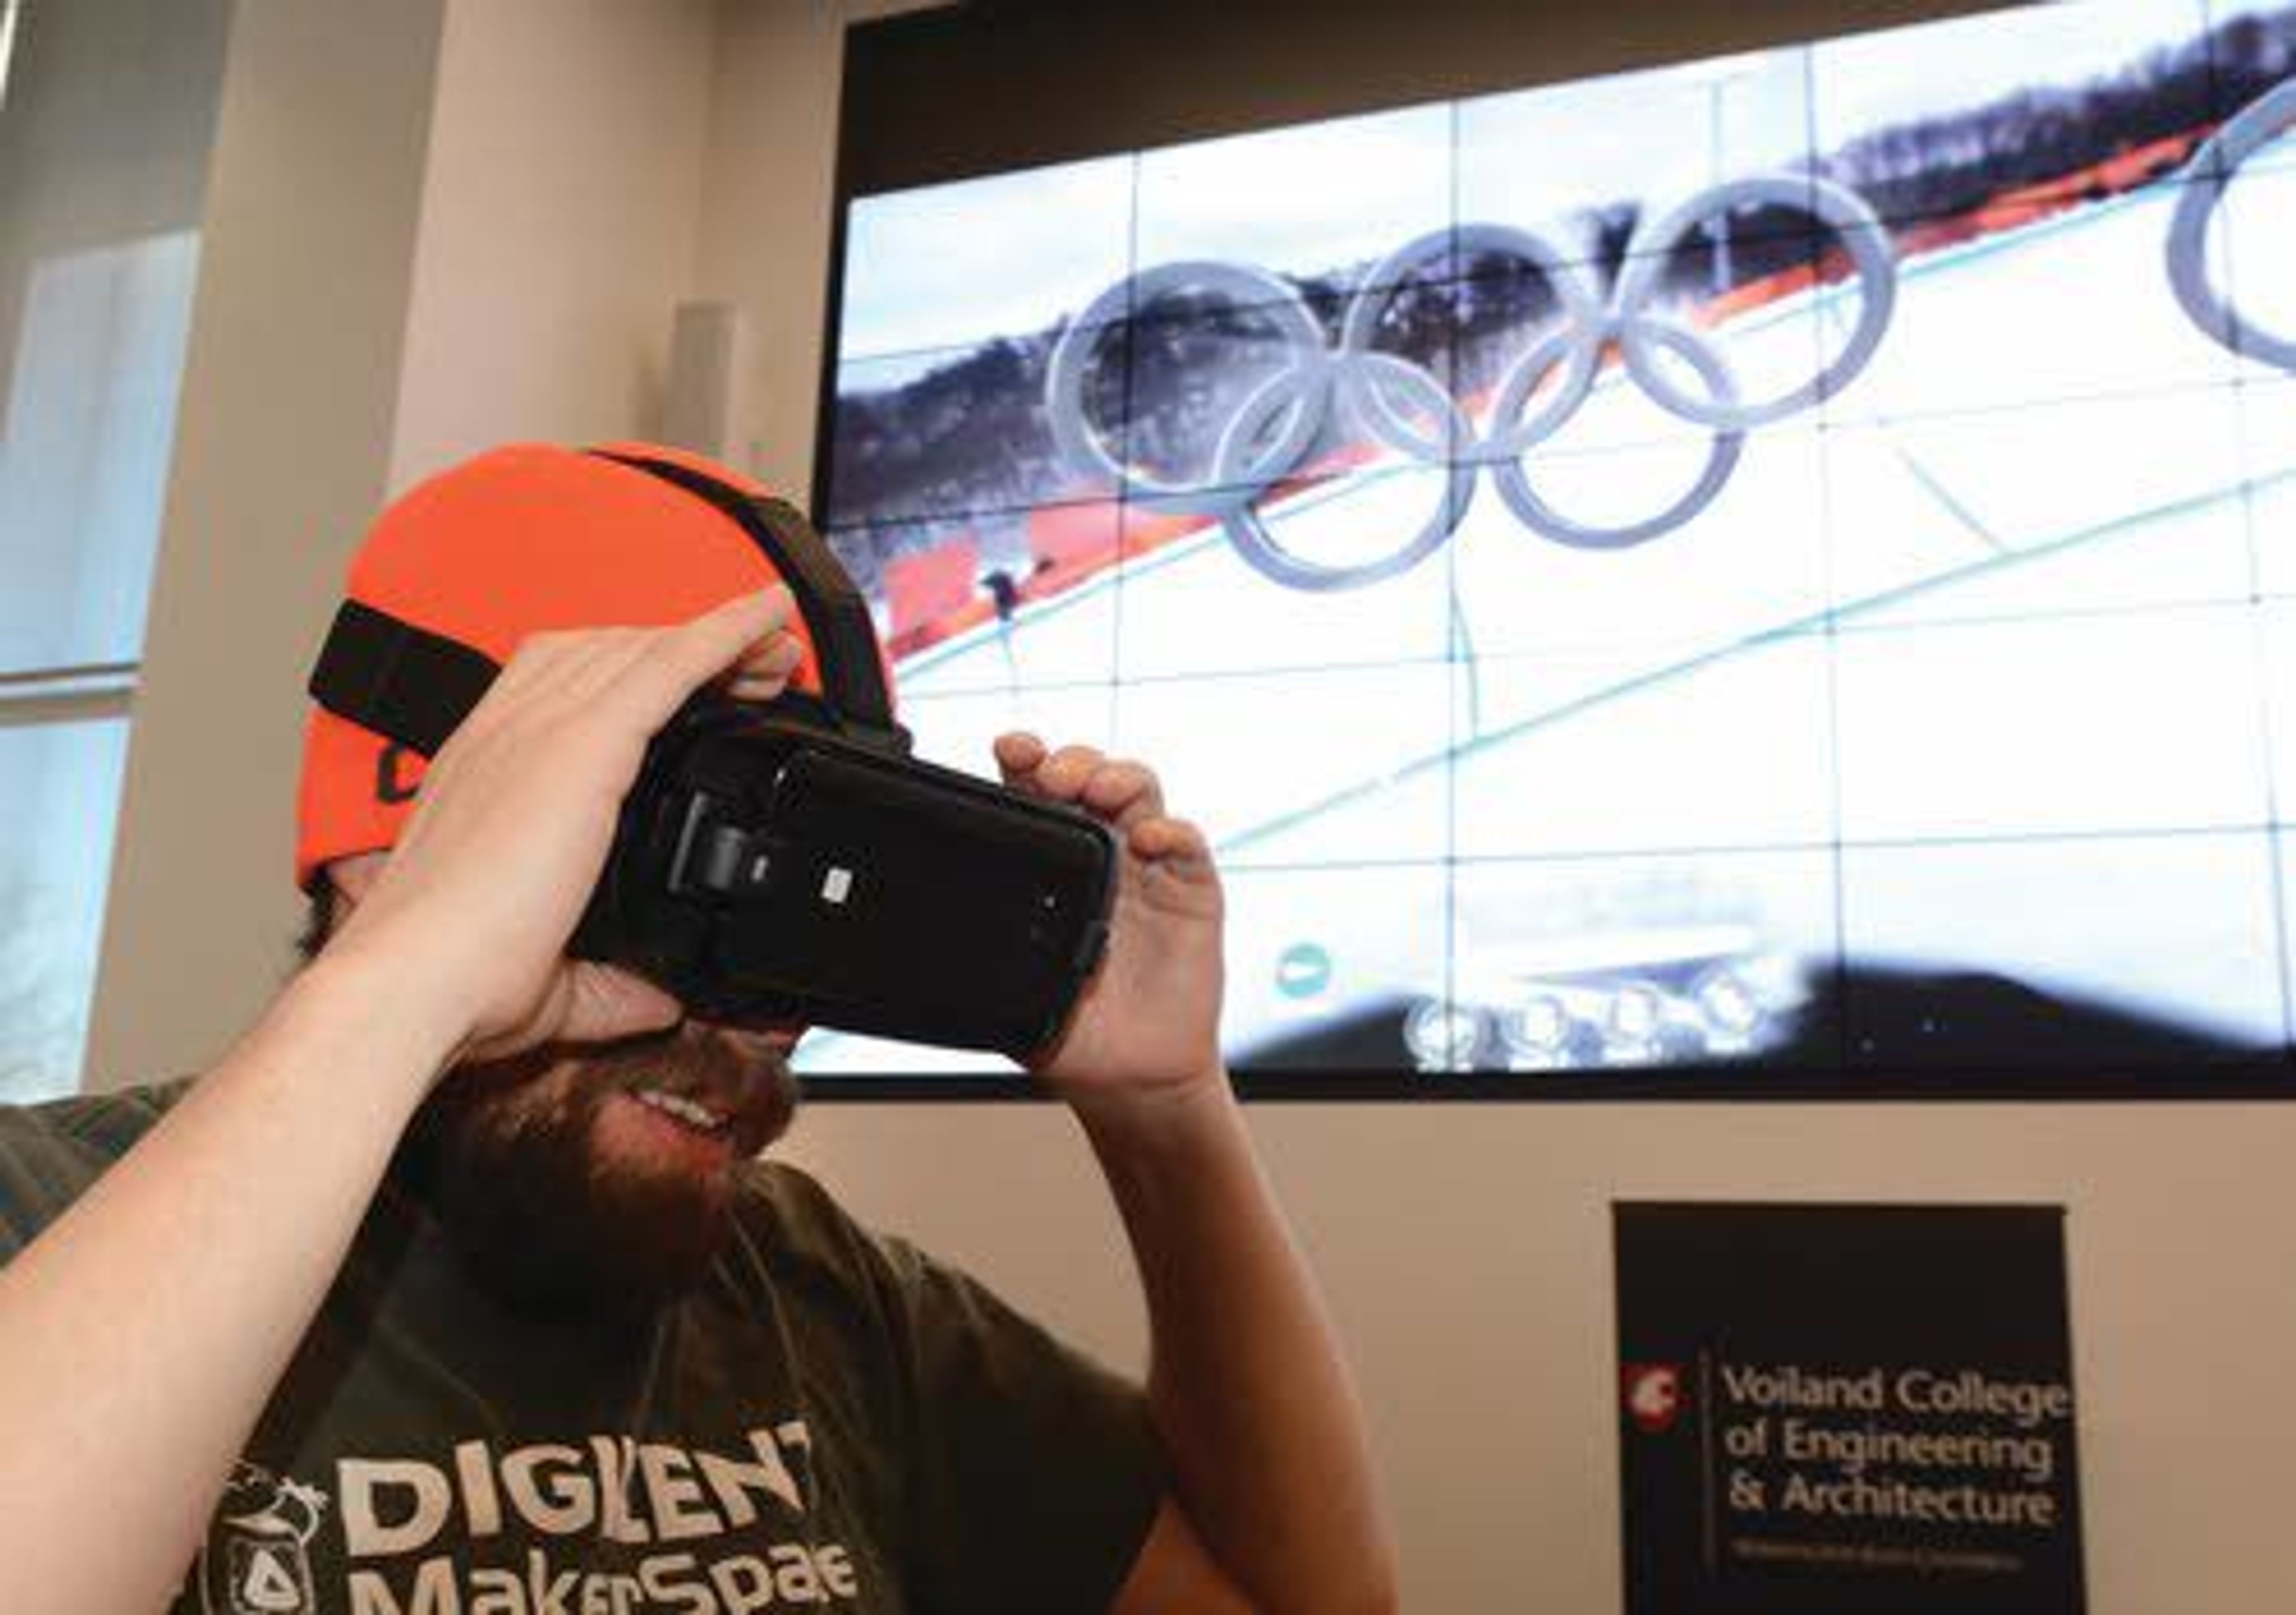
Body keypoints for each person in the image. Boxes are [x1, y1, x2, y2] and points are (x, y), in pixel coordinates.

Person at [0, 443, 1399, 1615]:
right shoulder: (49, 1223)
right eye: (698, 888)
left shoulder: (818, 1303)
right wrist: (410, 972)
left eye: (801, 929)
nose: (757, 1026)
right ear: (401, 849)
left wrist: (1168, 1113)